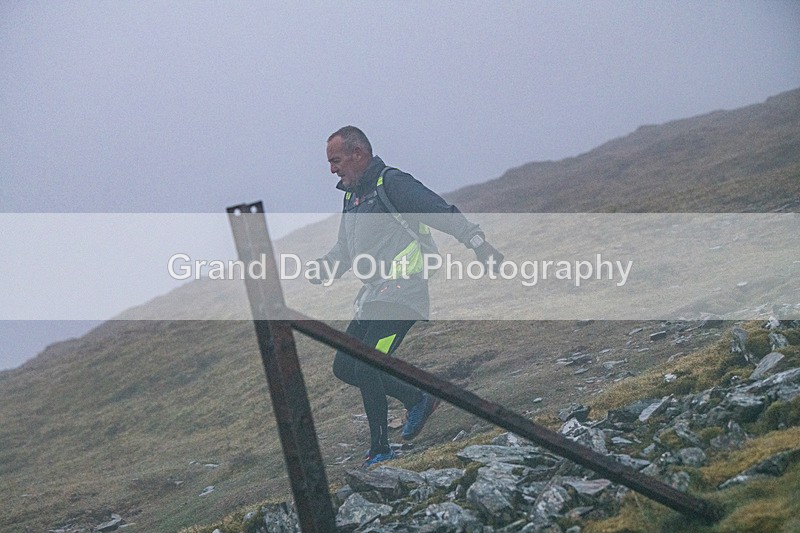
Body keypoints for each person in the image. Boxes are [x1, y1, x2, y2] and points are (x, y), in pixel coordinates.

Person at [311, 126, 503, 467]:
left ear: (358, 154)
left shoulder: (392, 183)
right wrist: (324, 268)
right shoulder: (351, 198)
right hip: (372, 296)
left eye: (336, 160)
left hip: (403, 291)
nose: (332, 170)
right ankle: (417, 399)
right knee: (345, 366)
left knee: (368, 362)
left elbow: (437, 211)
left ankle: (381, 450)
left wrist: (478, 244)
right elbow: (344, 249)